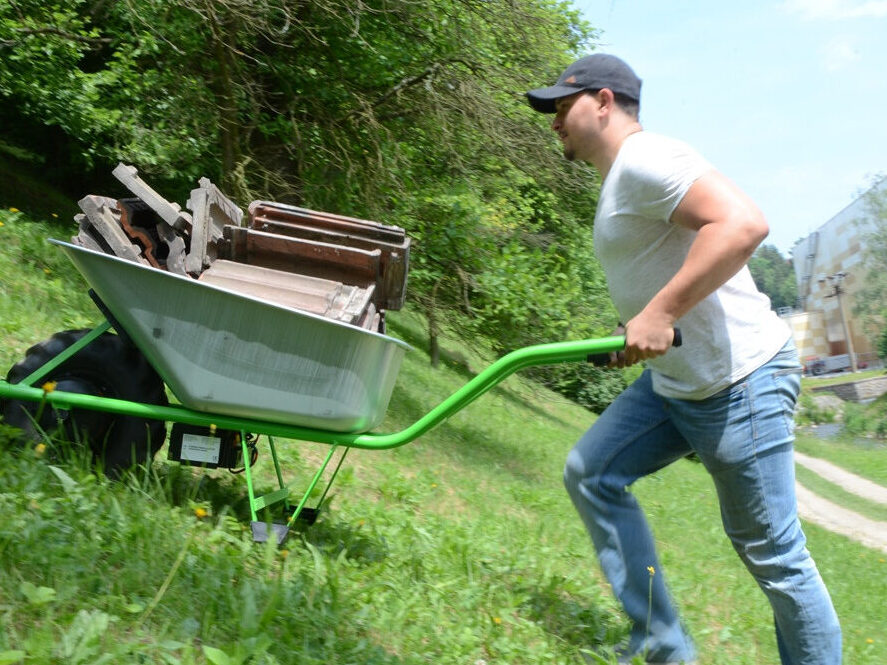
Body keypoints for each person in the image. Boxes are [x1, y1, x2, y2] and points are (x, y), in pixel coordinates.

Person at [526, 54, 841, 665]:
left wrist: (661, 314)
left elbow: (743, 224)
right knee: (592, 472)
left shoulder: (648, 159)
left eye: (562, 107)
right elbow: (665, 274)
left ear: (604, 102)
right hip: (677, 382)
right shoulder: (622, 177)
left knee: (774, 554)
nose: (555, 122)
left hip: (740, 380)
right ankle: (664, 645)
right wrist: (637, 327)